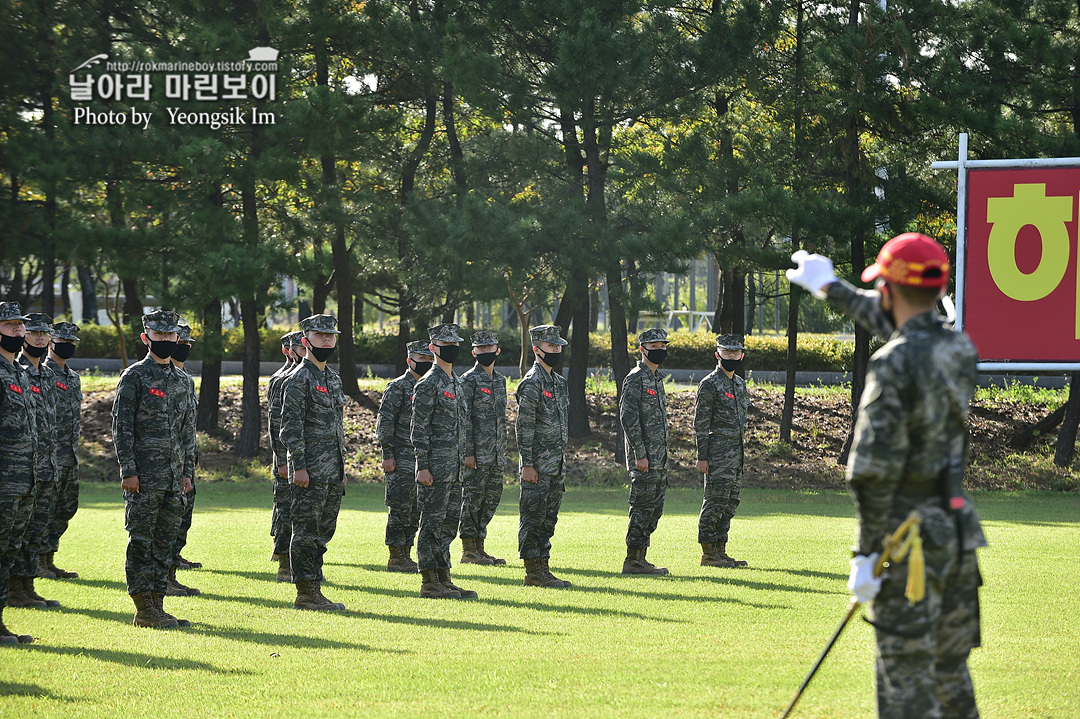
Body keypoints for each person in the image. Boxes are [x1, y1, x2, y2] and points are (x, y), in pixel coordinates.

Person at [788, 233, 986, 719]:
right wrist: (830, 287)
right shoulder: (958, 347)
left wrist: (866, 552)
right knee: (949, 678)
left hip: (907, 543)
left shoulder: (892, 361)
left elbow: (873, 472)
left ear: (891, 291)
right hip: (954, 534)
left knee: (907, 688)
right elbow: (906, 325)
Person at [112, 309, 196, 629]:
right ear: (147, 338)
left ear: (177, 338)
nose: (165, 340)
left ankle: (158, 604)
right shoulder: (133, 376)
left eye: (170, 335)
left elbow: (188, 430)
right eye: (158, 335)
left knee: (165, 543)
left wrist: (187, 472)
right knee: (141, 541)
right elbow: (122, 428)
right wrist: (128, 471)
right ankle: (143, 607)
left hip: (174, 478)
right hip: (144, 478)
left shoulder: (183, 381)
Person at [280, 314, 348, 611]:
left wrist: (342, 469)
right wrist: (300, 466)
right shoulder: (298, 379)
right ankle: (305, 592)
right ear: (305, 341)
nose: (326, 340)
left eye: (330, 336)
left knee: (323, 531)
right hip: (310, 472)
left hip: (332, 471)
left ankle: (315, 586)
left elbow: (337, 428)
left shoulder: (332, 379)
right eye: (320, 336)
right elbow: (290, 429)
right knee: (306, 531)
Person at [411, 324, 475, 599]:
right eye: (445, 344)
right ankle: (429, 581)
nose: (452, 348)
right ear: (432, 348)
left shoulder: (456, 382)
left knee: (449, 524)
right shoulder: (427, 384)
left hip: (455, 468)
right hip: (435, 468)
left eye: (455, 343)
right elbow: (419, 428)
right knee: (432, 523)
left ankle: (444, 576)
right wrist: (422, 465)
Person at [10, 313, 61, 609]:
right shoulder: (17, 371)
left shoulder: (49, 374)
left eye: (45, 334)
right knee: (20, 531)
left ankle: (27, 587)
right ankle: (15, 589)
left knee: (37, 528)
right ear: (24, 335)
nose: (40, 338)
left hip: (47, 464)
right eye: (35, 332)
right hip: (21, 466)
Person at [515, 324, 571, 588]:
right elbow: (523, 427)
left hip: (555, 465)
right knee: (533, 518)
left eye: (559, 346)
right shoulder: (532, 383)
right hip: (536, 465)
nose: (557, 350)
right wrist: (527, 463)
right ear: (537, 350)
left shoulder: (558, 383)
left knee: (548, 519)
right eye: (551, 347)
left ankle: (544, 567)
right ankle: (532, 572)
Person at [694, 333, 751, 569]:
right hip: (716, 456)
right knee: (714, 502)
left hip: (736, 456)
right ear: (718, 354)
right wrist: (702, 456)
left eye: (735, 352)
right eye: (727, 352)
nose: (731, 356)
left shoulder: (739, 384)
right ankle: (708, 553)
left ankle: (721, 550)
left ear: (742, 355)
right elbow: (701, 423)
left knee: (730, 503)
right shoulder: (709, 384)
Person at [375, 339, 432, 573]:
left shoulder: (431, 386)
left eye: (430, 359)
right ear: (410, 361)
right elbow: (385, 422)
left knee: (416, 508)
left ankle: (406, 553)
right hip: (400, 458)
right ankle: (396, 555)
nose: (427, 364)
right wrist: (387, 453)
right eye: (422, 360)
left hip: (422, 461)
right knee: (399, 508)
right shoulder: (398, 387)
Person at [620, 328, 671, 575]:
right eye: (654, 346)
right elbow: (628, 418)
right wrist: (640, 454)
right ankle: (633, 560)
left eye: (662, 346)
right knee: (641, 507)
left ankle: (642, 557)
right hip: (644, 459)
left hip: (659, 459)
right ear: (642, 349)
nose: (659, 350)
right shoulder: (636, 378)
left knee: (654, 508)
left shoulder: (656, 378)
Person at [0, 302, 37, 645]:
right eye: (9, 325)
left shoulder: (20, 372)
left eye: (19, 326)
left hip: (22, 480)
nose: (17, 331)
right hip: (3, 480)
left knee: (8, 551)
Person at [458, 329, 508, 566]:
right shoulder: (467, 380)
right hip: (475, 454)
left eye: (490, 348)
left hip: (496, 454)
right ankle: (468, 550)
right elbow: (464, 419)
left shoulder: (500, 380)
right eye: (482, 348)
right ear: (474, 352)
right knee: (473, 499)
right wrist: (468, 451)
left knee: (491, 499)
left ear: (497, 350)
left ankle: (480, 546)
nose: (486, 352)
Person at [38, 321, 82, 580]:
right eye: (62, 341)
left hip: (70, 455)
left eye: (71, 343)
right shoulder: (43, 374)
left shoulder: (73, 378)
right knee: (43, 509)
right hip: (48, 457)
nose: (67, 346)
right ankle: (38, 562)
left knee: (65, 508)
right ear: (51, 343)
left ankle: (49, 558)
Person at [166, 318, 200, 598]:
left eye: (189, 344)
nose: (185, 348)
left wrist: (189, 464)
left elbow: (188, 427)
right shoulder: (141, 376)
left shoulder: (185, 379)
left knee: (181, 517)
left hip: (184, 463)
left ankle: (173, 565)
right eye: (182, 343)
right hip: (157, 466)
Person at [268, 330, 301, 582]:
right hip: (287, 459)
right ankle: (283, 559)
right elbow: (276, 423)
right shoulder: (283, 379)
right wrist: (281, 459)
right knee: (286, 508)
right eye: (297, 348)